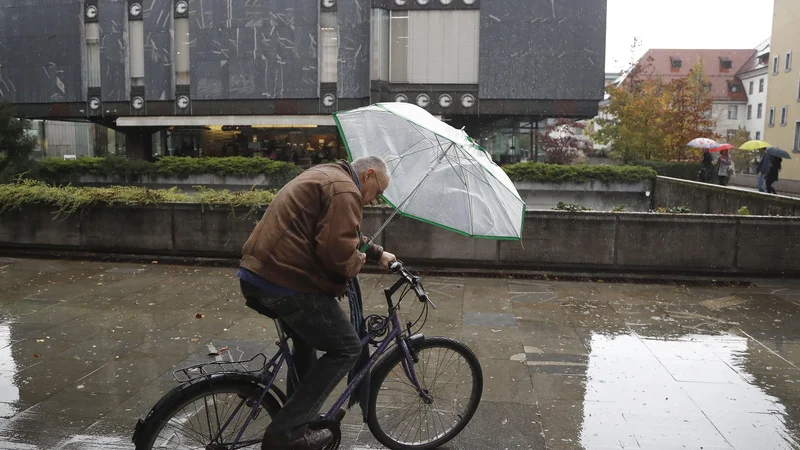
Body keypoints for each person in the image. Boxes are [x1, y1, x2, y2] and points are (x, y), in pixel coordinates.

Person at [237, 156, 396, 450]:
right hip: (285, 282)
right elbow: (338, 255)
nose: (376, 201)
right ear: (369, 174)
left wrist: (377, 253)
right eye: (380, 192)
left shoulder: (328, 176)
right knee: (347, 347)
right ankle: (286, 433)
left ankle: (297, 417)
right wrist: (357, 262)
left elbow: (337, 232)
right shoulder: (345, 189)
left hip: (260, 274)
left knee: (306, 342)